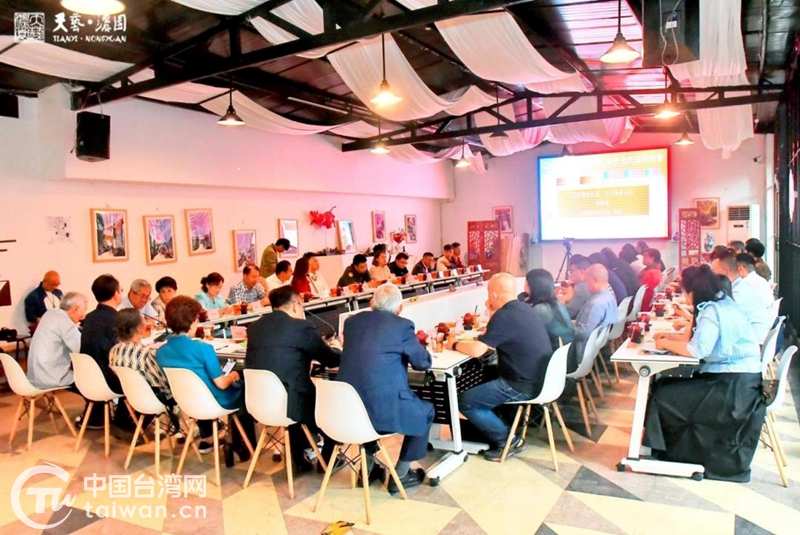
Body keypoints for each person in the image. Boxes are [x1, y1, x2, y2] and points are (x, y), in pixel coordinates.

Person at [646, 265, 765, 481]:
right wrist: (669, 339)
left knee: (663, 394)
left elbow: (697, 350)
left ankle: (673, 452)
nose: (684, 296)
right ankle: (665, 448)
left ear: (693, 291)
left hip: (733, 387)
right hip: (741, 380)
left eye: (684, 291)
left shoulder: (712, 311)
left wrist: (664, 343)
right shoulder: (722, 302)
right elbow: (697, 340)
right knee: (663, 385)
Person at [337, 284, 433, 492]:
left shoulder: (351, 323)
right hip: (382, 410)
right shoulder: (403, 326)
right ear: (399, 309)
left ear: (372, 302)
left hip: (346, 410)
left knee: (368, 400)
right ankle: (402, 475)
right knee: (425, 411)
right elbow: (422, 363)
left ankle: (368, 469)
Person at [448, 273, 552, 461]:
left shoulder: (504, 316)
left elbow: (478, 350)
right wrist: (492, 311)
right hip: (540, 377)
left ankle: (508, 441)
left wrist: (453, 344)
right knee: (486, 372)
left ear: (493, 295)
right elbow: (494, 334)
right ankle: (492, 425)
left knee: (466, 402)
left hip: (522, 384)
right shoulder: (524, 308)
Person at [245, 286, 341, 472]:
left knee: (294, 387)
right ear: (296, 305)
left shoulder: (254, 327)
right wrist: (336, 346)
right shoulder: (301, 327)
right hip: (291, 404)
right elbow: (330, 360)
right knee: (331, 404)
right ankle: (327, 460)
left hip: (259, 403)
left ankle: (298, 456)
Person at [156, 296, 255, 461]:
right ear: (193, 321)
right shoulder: (203, 348)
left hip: (187, 402)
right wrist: (233, 376)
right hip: (217, 401)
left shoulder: (161, 352)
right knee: (243, 384)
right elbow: (221, 384)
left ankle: (212, 437)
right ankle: (243, 445)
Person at [109, 308, 179, 432]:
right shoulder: (146, 354)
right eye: (144, 320)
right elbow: (161, 381)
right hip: (154, 399)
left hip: (131, 396)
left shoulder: (114, 350)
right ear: (138, 328)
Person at [80, 275, 129, 429]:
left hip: (87, 377)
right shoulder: (117, 319)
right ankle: (127, 420)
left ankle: (100, 416)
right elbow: (123, 353)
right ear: (115, 294)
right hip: (108, 379)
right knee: (142, 375)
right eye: (120, 290)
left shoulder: (89, 318)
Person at [26, 292, 86, 390]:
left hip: (34, 376)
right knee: (91, 380)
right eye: (84, 310)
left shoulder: (49, 314)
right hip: (52, 377)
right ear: (75, 309)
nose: (83, 315)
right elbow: (81, 348)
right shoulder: (65, 321)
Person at [711, 249, 772, 341]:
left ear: (726, 271)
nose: (711, 277)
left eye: (713, 273)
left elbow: (720, 322)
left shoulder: (738, 294)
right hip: (751, 339)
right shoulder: (740, 287)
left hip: (751, 343)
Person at [569, 265, 617, 372]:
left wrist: (565, 327)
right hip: (595, 347)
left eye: (586, 281)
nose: (586, 285)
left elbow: (583, 333)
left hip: (581, 350)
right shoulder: (610, 296)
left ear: (595, 280)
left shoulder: (596, 304)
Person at [521, 269, 574, 351]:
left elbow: (525, 332)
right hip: (566, 351)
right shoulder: (555, 303)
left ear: (534, 286)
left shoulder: (541, 309)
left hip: (556, 353)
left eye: (526, 282)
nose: (524, 285)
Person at [556, 255, 591, 319]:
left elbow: (566, 313)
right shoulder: (589, 283)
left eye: (572, 271)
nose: (570, 274)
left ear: (583, 271)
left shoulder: (582, 288)